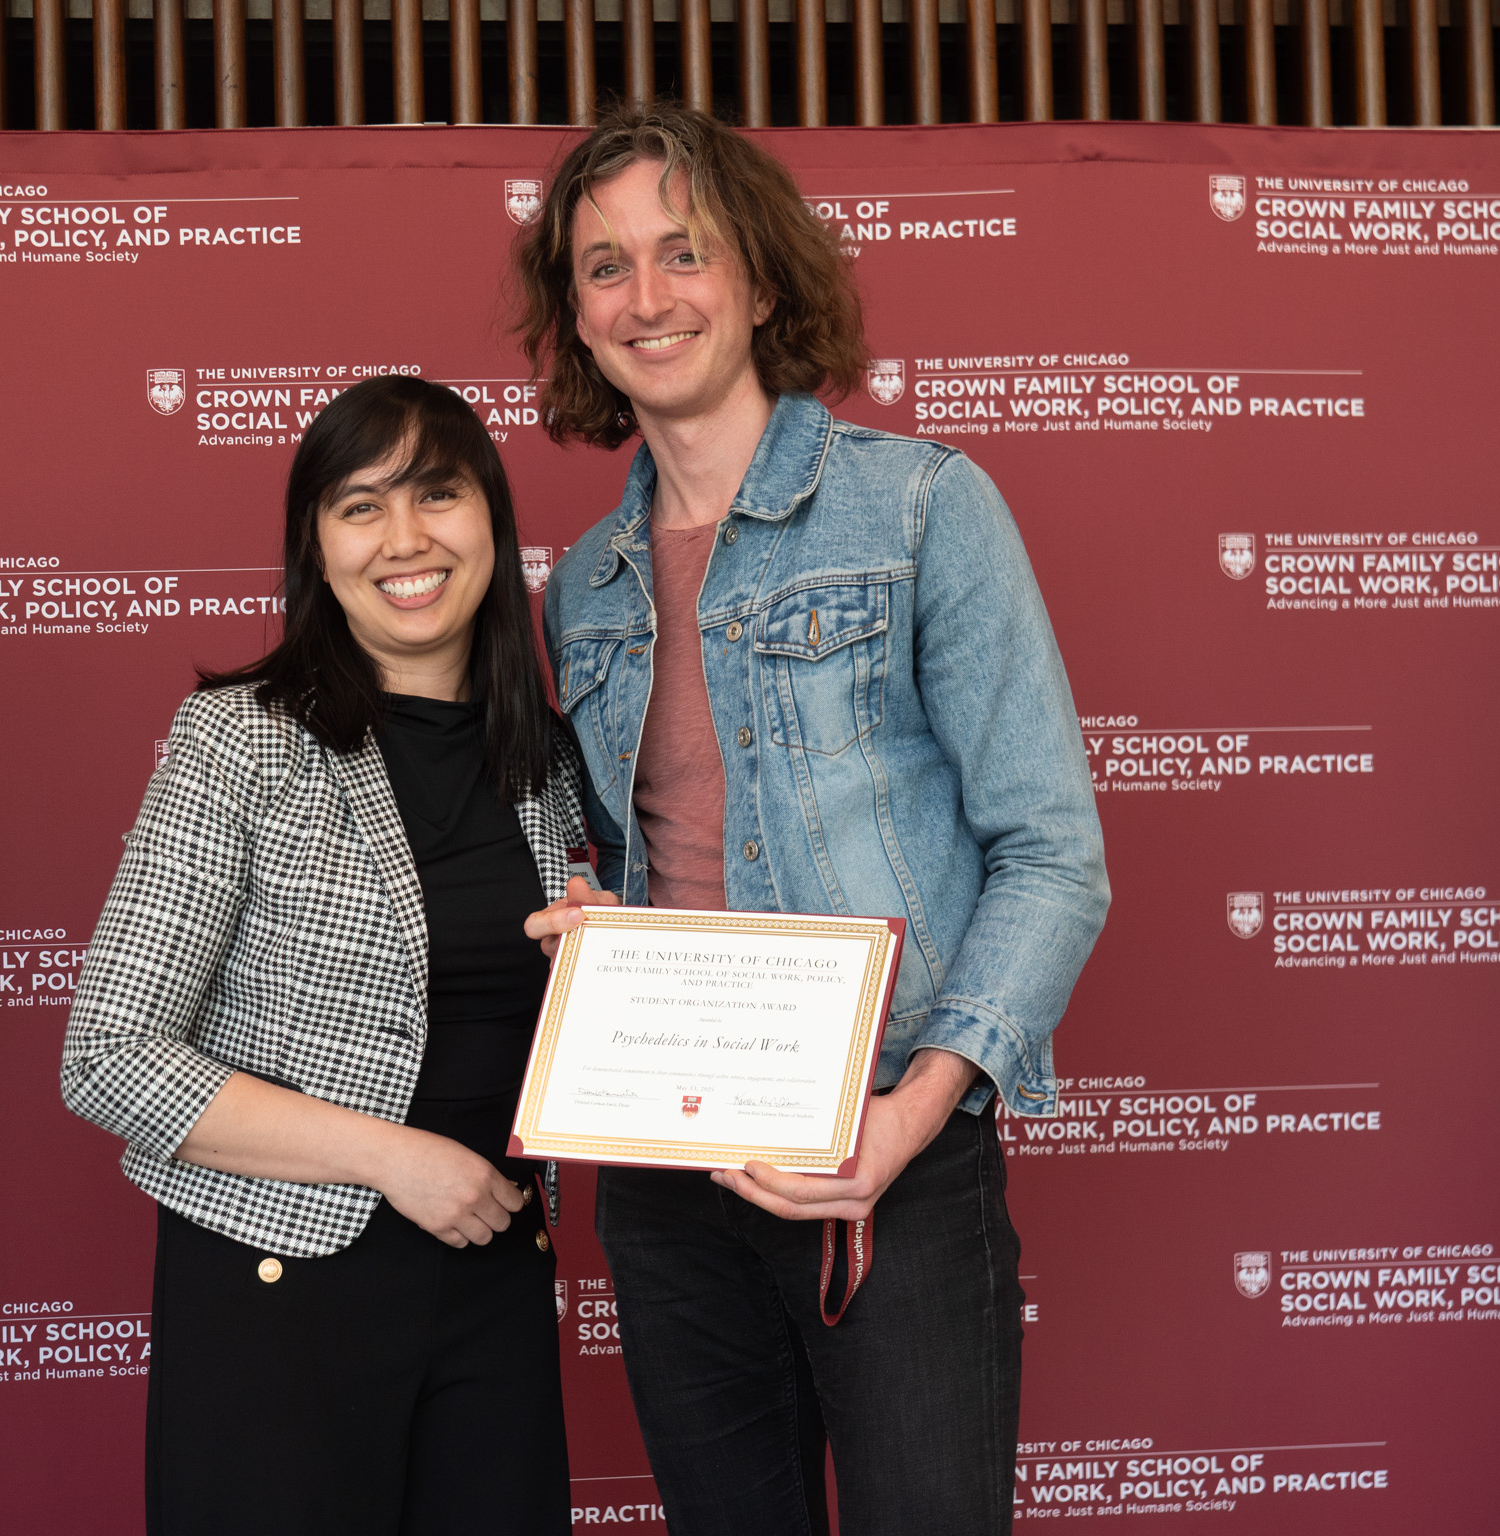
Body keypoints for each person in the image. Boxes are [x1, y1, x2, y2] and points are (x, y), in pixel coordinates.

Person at [515, 103, 1109, 1535]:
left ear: (764, 280)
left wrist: (910, 1121)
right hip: (667, 1179)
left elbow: (1054, 855)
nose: (646, 298)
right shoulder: (581, 586)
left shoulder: (921, 511)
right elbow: (623, 852)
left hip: (886, 1153)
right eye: (605, 267)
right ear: (576, 315)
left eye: (683, 253)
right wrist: (594, 920)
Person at [61, 376, 578, 1536]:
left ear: (489, 521)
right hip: (279, 1283)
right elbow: (107, 1056)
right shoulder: (241, 740)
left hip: (494, 1269)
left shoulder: (547, 756)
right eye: (360, 505)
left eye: (436, 494)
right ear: (315, 544)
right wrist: (393, 1159)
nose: (405, 539)